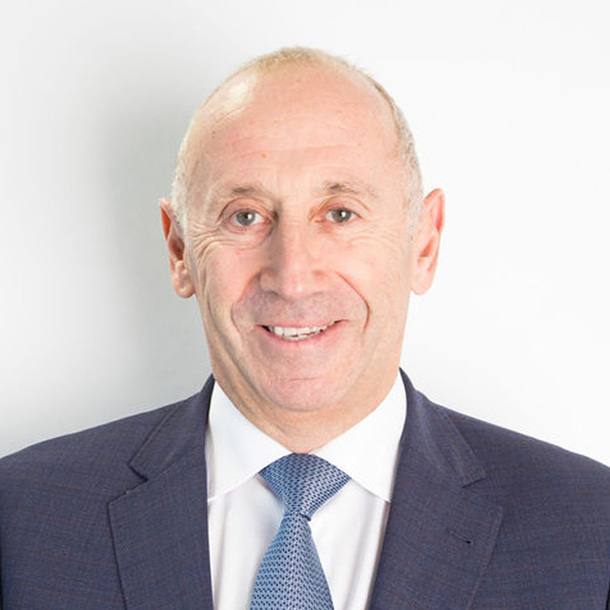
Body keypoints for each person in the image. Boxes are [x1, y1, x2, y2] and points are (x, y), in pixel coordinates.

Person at [0, 46, 609, 610]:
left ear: (423, 244)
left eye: (340, 213)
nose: (292, 278)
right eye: (244, 216)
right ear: (180, 250)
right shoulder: (21, 521)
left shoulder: (590, 531)